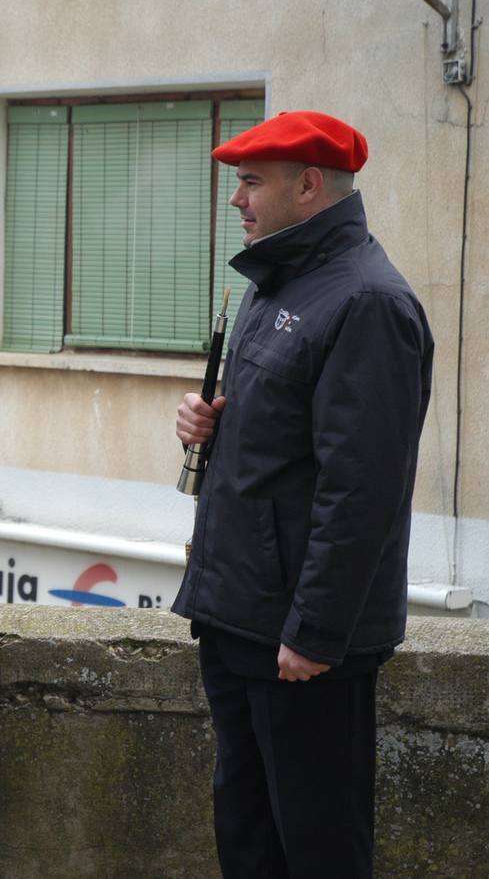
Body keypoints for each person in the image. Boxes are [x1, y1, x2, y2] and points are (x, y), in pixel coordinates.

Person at [173, 111, 434, 877]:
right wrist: (207, 426)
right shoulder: (275, 284)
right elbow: (285, 445)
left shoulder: (366, 302)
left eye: (251, 182)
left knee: (317, 844)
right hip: (237, 613)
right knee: (248, 834)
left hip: (298, 638)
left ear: (309, 185)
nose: (236, 200)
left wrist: (316, 633)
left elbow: (362, 490)